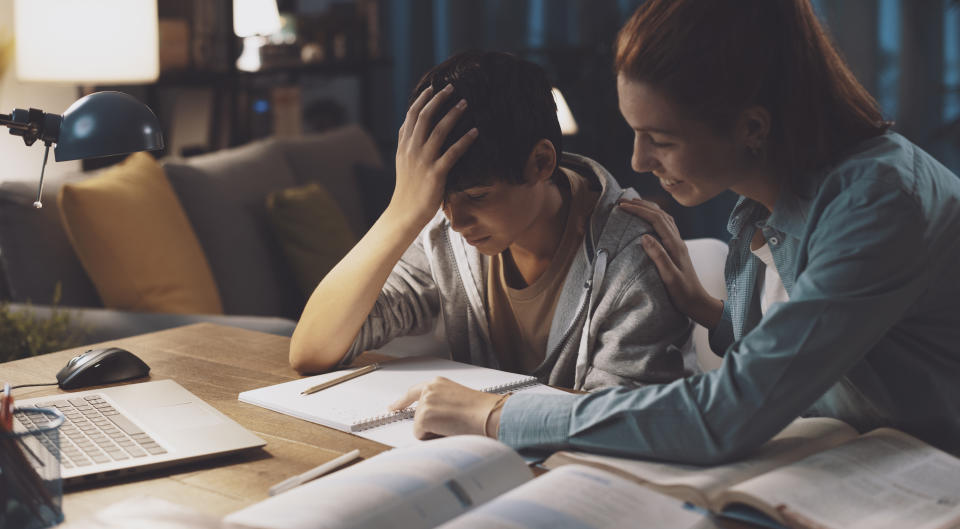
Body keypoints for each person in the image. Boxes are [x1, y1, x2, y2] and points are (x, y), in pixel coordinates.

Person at [390, 0, 960, 462]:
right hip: (858, 459)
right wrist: (711, 311)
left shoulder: (880, 204)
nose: (637, 161)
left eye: (660, 138)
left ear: (751, 127)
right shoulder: (767, 206)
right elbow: (822, 355)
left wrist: (493, 414)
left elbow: (727, 415)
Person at [290, 51, 691, 398]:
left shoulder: (633, 252)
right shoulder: (443, 233)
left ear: (541, 163)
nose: (457, 221)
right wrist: (403, 209)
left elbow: (623, 420)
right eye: (440, 201)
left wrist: (485, 412)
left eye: (478, 197)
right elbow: (312, 350)